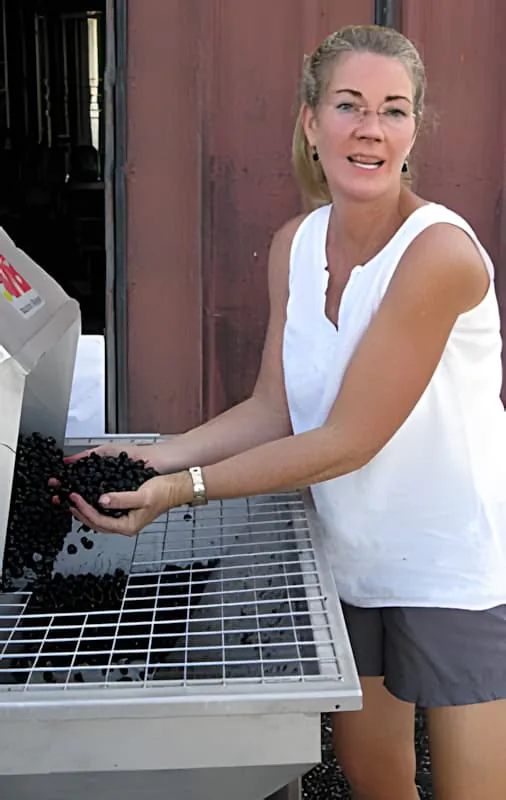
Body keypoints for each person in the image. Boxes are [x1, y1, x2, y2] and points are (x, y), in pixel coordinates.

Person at [63, 25, 506, 800]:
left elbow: (348, 440)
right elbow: (274, 407)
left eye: (394, 110)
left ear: (413, 129)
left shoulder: (438, 254)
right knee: (375, 781)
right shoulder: (296, 245)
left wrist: (182, 491)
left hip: (451, 563)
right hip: (350, 551)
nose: (371, 128)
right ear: (310, 121)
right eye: (349, 105)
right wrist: (145, 459)